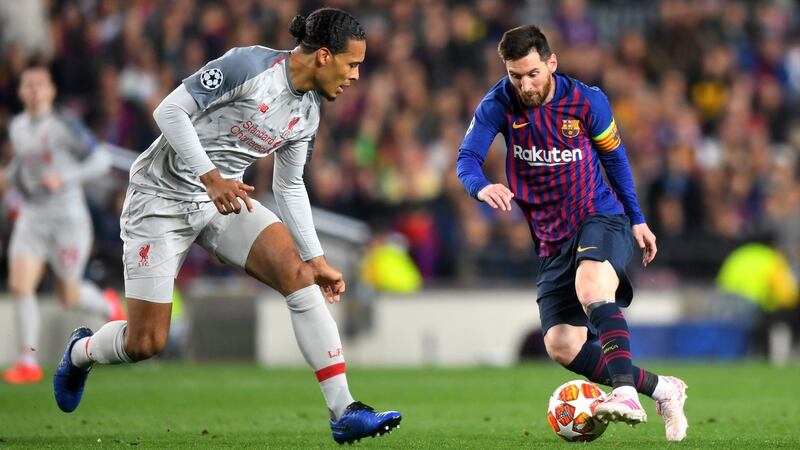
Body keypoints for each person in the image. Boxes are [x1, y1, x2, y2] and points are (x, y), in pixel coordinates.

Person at [52, 8, 401, 445]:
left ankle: (344, 410)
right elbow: (169, 111)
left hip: (224, 201)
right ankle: (80, 353)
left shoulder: (309, 113)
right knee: (145, 342)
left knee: (299, 276)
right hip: (160, 199)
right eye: (353, 65)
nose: (355, 77)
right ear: (324, 56)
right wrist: (210, 176)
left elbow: (289, 185)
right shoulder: (250, 66)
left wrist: (317, 257)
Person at [456, 25, 688, 441]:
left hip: (601, 216)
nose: (524, 85)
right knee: (561, 345)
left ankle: (624, 394)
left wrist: (637, 218)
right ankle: (663, 389)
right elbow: (467, 158)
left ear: (551, 63)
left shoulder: (587, 101)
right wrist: (482, 186)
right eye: (515, 75)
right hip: (552, 239)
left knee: (591, 284)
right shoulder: (498, 103)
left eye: (531, 74)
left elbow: (615, 161)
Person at [1, 65, 125, 384]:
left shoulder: (63, 126)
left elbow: (100, 160)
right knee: (19, 285)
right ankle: (27, 361)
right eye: (27, 85)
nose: (33, 90)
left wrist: (66, 178)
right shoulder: (17, 127)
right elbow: (24, 166)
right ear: (20, 92)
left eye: (40, 85)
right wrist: (9, 177)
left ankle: (107, 303)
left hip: (67, 218)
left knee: (68, 296)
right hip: (33, 216)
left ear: (52, 91)